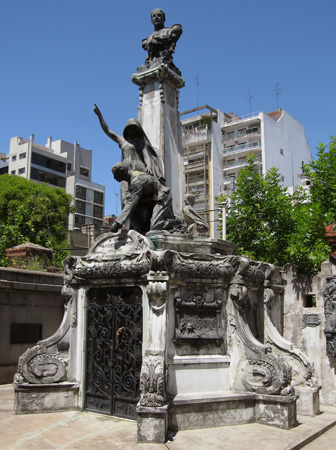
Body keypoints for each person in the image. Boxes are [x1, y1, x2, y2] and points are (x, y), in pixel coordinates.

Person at [93, 104, 165, 205]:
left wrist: (148, 165)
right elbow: (108, 131)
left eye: (134, 128)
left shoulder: (140, 141)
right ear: (126, 129)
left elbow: (146, 155)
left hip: (139, 170)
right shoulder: (122, 141)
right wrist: (99, 116)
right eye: (130, 128)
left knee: (139, 201)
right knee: (125, 200)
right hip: (124, 172)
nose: (132, 130)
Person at [110, 162, 178, 234]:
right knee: (127, 202)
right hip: (150, 202)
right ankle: (138, 228)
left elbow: (131, 204)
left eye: (115, 174)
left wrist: (117, 222)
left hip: (162, 198)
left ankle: (177, 221)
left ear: (121, 171)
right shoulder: (130, 179)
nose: (114, 178)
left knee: (155, 227)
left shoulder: (136, 180)